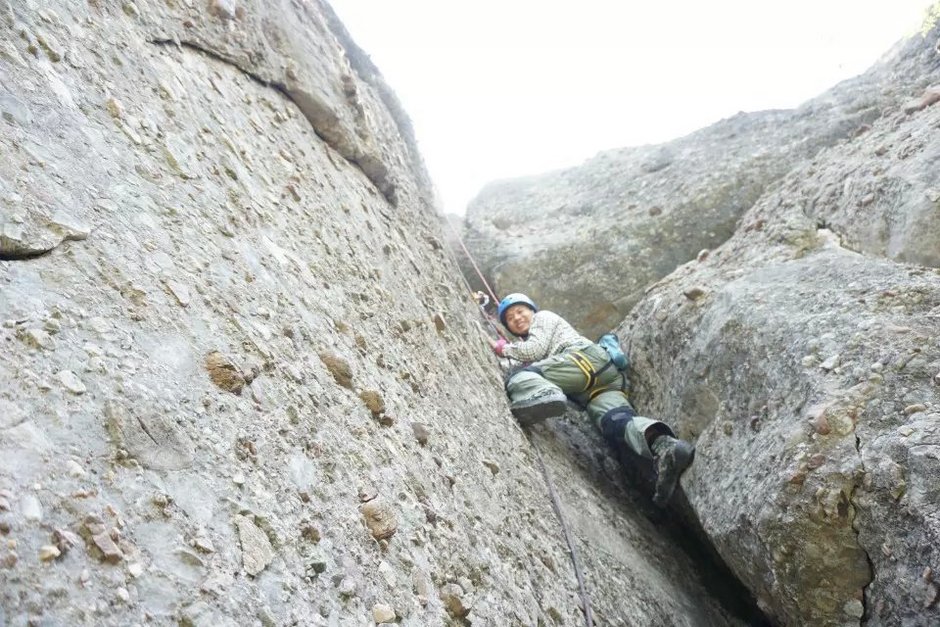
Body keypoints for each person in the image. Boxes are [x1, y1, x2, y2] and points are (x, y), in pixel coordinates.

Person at [488, 293, 694, 507]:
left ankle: (546, 394)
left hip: (581, 362)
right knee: (618, 422)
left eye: (520, 311)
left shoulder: (543, 318)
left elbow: (534, 349)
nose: (517, 318)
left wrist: (503, 349)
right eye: (510, 319)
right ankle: (665, 445)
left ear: (532, 310)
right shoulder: (536, 340)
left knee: (518, 378)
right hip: (601, 386)